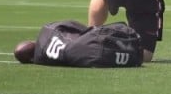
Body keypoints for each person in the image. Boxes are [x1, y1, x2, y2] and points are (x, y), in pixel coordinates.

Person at [14, 20, 143, 67]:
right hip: (91, 45)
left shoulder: (42, 59)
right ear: (32, 42)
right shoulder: (46, 31)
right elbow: (75, 26)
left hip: (91, 55)